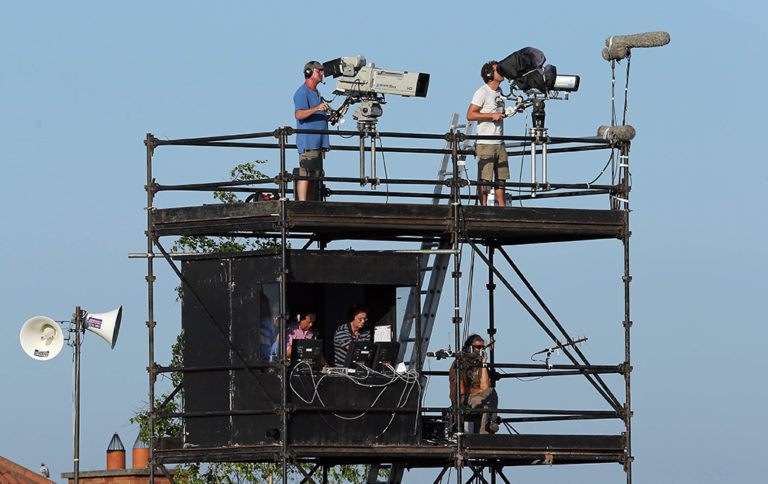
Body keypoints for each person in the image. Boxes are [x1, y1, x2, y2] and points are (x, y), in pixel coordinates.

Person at [466, 60, 517, 206]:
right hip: (486, 142)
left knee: (501, 177)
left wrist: (511, 111)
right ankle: (483, 208)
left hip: (499, 142)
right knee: (484, 178)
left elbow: (497, 113)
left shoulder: (500, 92)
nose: (501, 72)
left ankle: (502, 208)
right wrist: (491, 116)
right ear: (489, 74)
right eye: (497, 70)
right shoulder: (482, 92)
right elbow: (470, 115)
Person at [294, 60, 330, 201]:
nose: (322, 73)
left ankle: (310, 204)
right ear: (309, 72)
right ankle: (302, 204)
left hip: (318, 143)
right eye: (318, 70)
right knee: (306, 175)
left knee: (315, 177)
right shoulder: (302, 92)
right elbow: (299, 114)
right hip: (308, 142)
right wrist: (317, 108)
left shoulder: (317, 93)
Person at [449, 334, 499, 434]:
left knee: (491, 393)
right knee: (483, 399)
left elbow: (486, 387)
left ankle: (488, 428)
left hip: (478, 396)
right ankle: (485, 431)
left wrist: (483, 364)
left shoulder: (479, 364)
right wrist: (480, 391)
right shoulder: (459, 363)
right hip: (463, 398)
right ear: (469, 347)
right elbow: (461, 390)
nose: (480, 350)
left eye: (482, 348)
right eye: (478, 347)